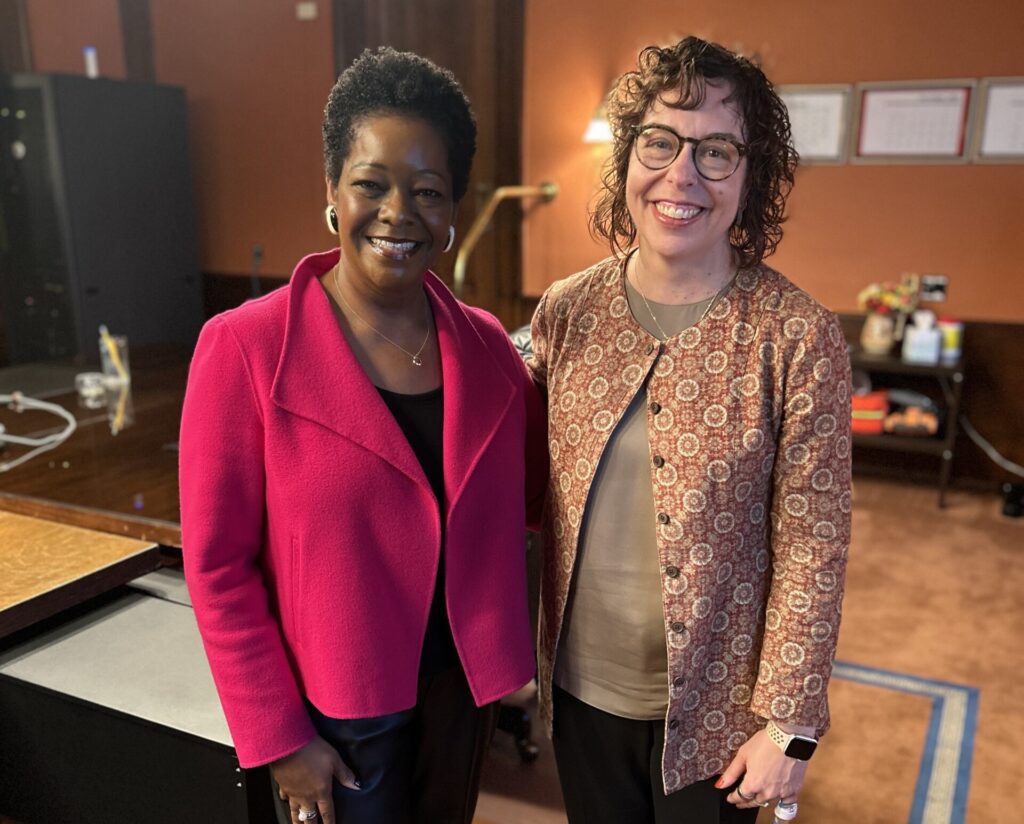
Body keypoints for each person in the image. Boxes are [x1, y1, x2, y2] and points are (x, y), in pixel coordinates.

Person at [179, 47, 546, 824]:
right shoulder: (245, 347)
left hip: (463, 696)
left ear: (453, 208)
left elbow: (544, 495)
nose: (397, 212)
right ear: (332, 192)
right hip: (336, 713)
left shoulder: (488, 352)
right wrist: (277, 735)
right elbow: (217, 567)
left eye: (427, 191)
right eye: (371, 185)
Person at [527, 36, 852, 824]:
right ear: (630, 155)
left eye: (716, 152)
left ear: (752, 175)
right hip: (581, 693)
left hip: (722, 720)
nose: (682, 176)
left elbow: (815, 541)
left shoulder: (798, 337)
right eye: (661, 142)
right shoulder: (568, 311)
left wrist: (792, 728)